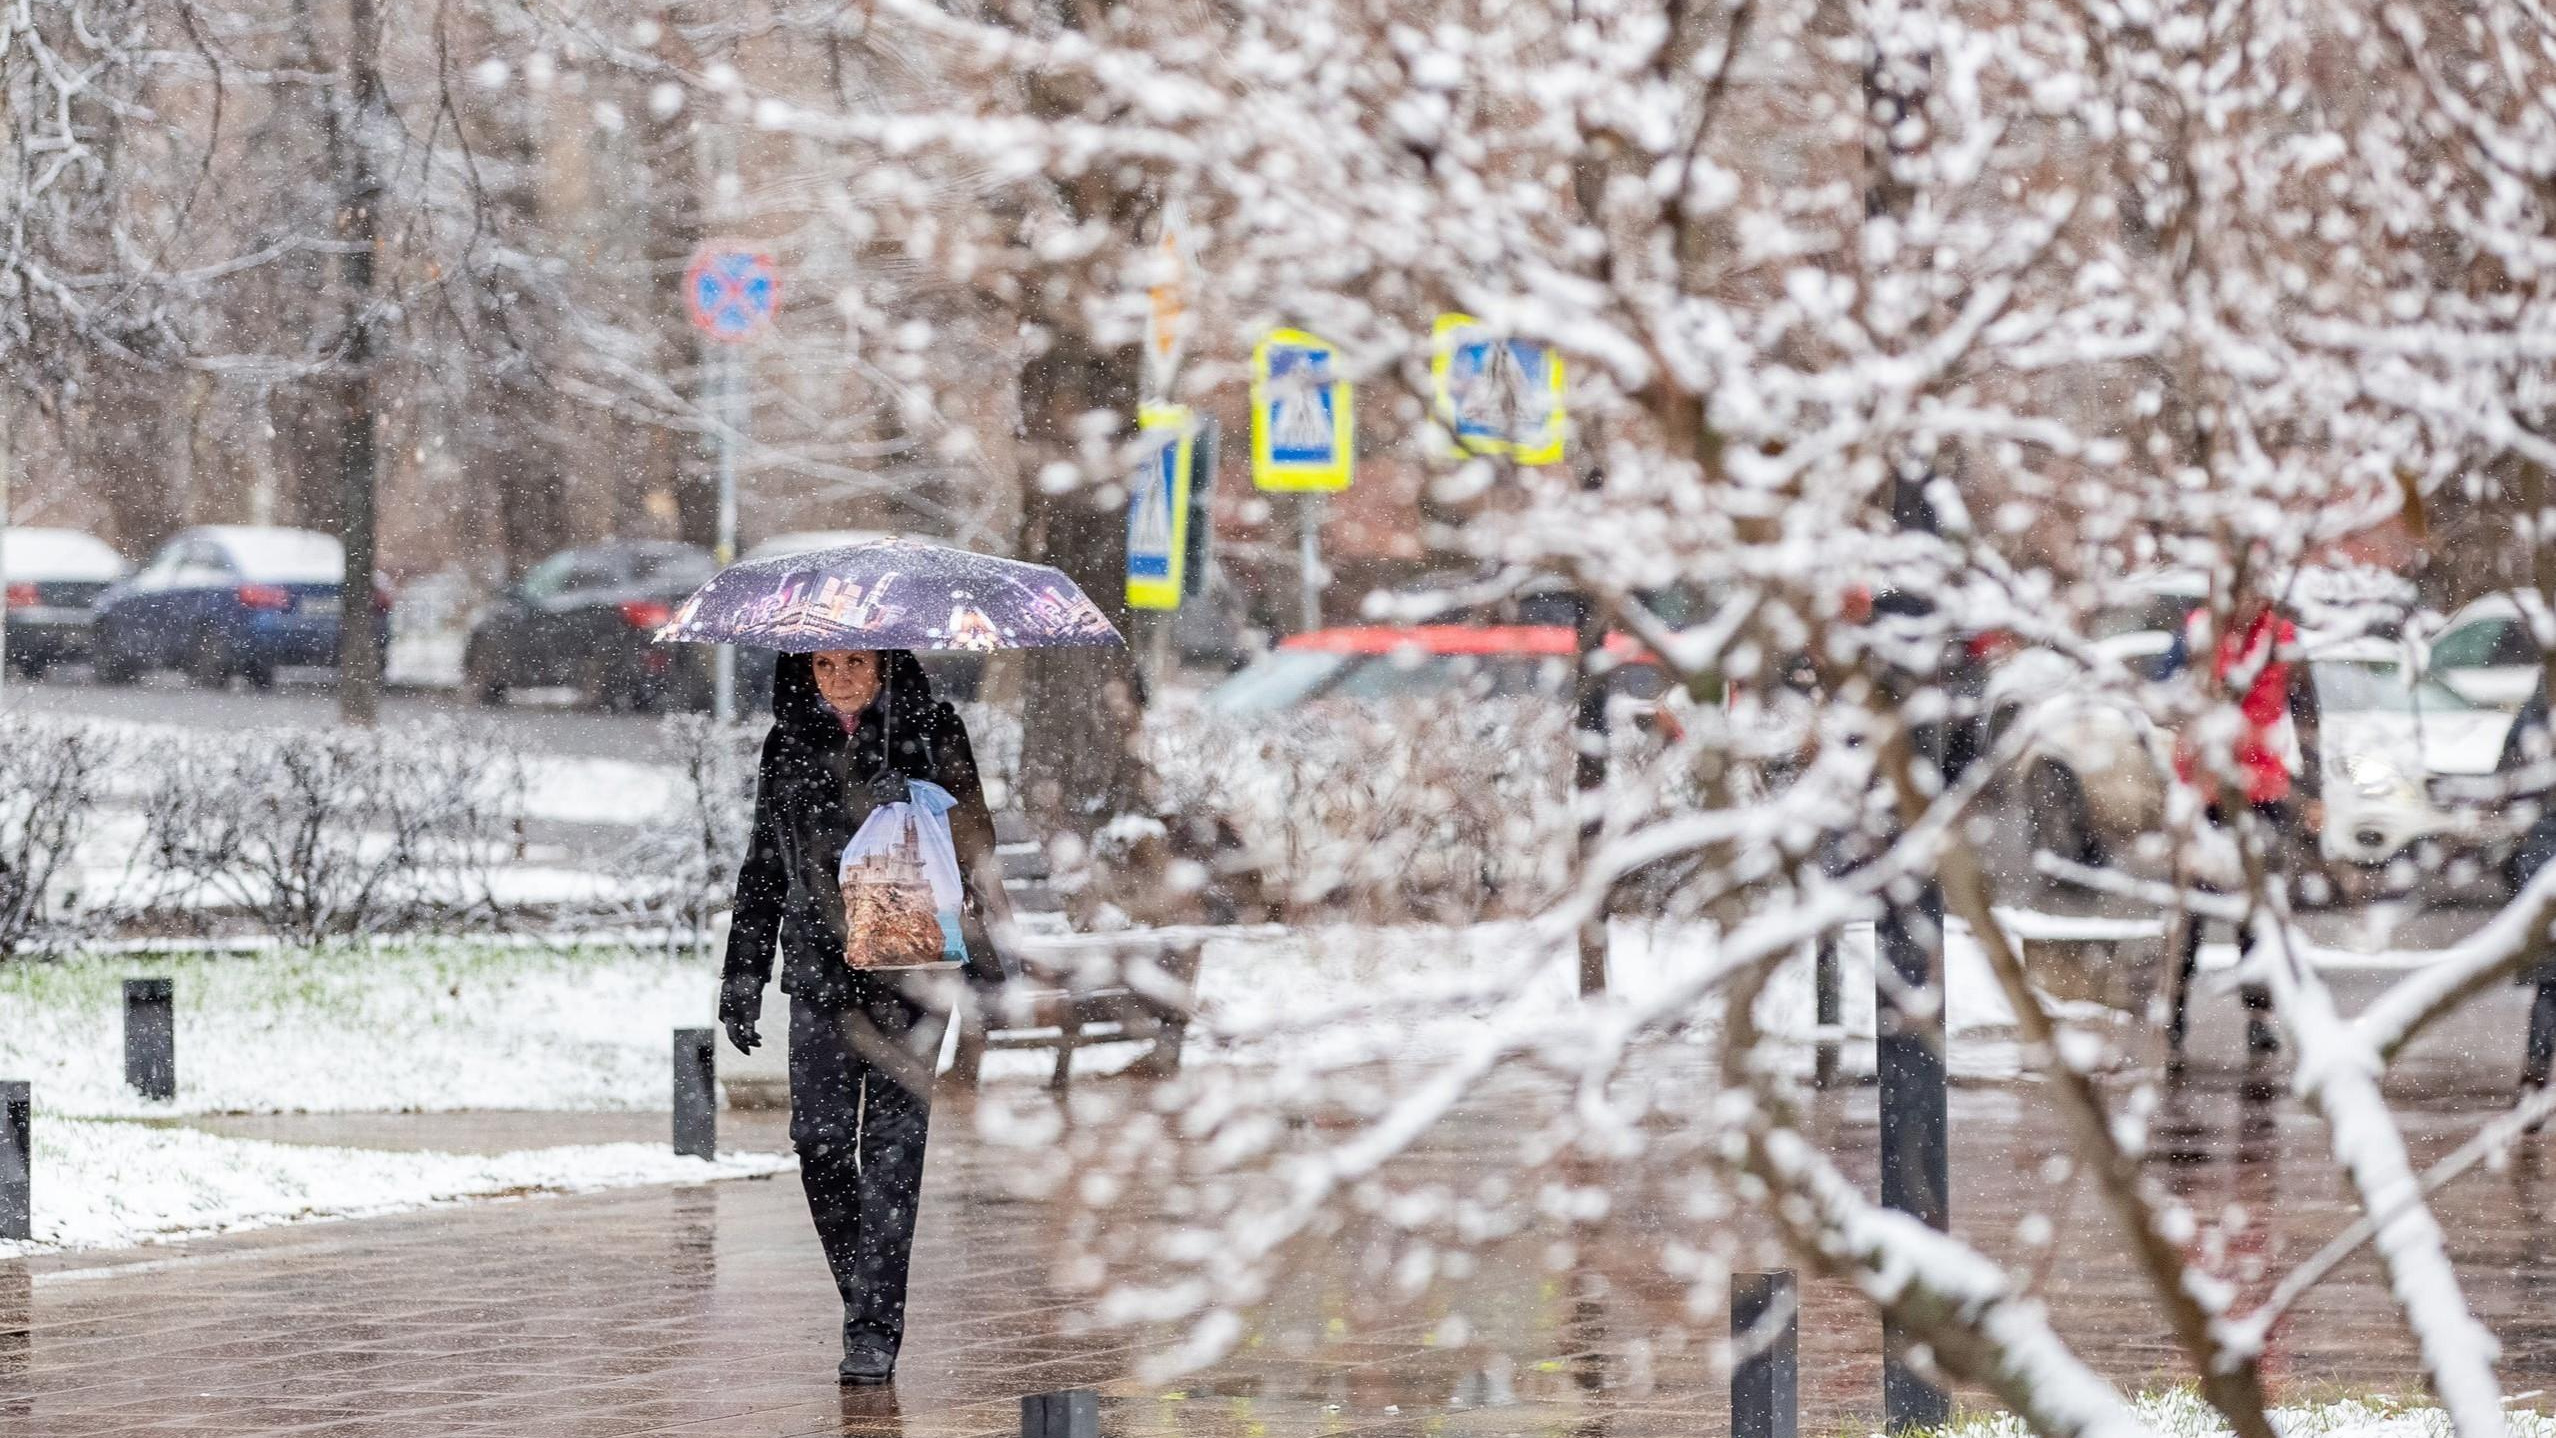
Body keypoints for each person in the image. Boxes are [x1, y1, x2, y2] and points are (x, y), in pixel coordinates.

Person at [718, 648, 1015, 1384]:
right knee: (817, 1142)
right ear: (804, 671)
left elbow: (977, 848)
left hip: (911, 973)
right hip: (820, 970)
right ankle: (868, 1296)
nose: (842, 678)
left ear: (885, 663)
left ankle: (874, 1330)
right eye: (824, 665)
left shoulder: (932, 726)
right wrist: (745, 973)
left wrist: (912, 793)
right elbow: (765, 859)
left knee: (891, 1151)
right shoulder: (787, 739)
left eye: (857, 662)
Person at [2161, 596, 2321, 1065]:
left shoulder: (2285, 638)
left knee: (2257, 912)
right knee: (2189, 912)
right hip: (2203, 792)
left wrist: (2314, 789)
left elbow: (2310, 719)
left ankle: (2259, 1017)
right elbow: (2161, 699)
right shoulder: (2196, 632)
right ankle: (2172, 1010)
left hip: (2261, 793)